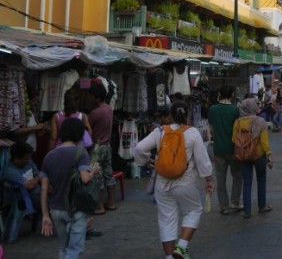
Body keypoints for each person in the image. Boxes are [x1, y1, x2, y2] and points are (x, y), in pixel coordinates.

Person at [134, 101, 214, 259]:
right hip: (185, 182)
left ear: (170, 115)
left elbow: (138, 148)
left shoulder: (160, 131)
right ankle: (182, 246)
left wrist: (147, 160)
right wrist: (209, 180)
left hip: (162, 183)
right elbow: (202, 160)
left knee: (166, 218)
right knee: (193, 210)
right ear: (187, 116)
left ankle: (169, 257)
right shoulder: (192, 133)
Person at [39, 117, 100, 259]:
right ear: (79, 135)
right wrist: (94, 172)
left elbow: (44, 189)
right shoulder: (80, 152)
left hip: (56, 209)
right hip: (76, 208)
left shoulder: (49, 156)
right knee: (74, 250)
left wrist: (45, 215)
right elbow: (85, 179)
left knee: (63, 248)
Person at [232, 98, 273, 219]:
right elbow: (264, 142)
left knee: (247, 182)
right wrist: (269, 154)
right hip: (259, 155)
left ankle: (247, 210)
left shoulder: (237, 122)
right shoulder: (260, 121)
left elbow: (234, 140)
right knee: (261, 179)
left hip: (243, 155)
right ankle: (262, 206)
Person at [208, 84, 243, 214]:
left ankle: (224, 206)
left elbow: (211, 130)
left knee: (220, 178)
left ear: (219, 95)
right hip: (233, 149)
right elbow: (238, 130)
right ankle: (235, 202)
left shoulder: (213, 109)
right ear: (232, 95)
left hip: (218, 149)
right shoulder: (235, 110)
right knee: (237, 176)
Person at [87, 79, 117, 214]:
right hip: (107, 145)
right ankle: (111, 202)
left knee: (97, 177)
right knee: (108, 174)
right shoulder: (109, 109)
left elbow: (89, 128)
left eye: (91, 96)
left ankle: (100, 206)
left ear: (97, 97)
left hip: (97, 147)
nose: (89, 98)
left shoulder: (95, 113)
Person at [1, 142, 41, 210]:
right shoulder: (9, 171)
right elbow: (29, 186)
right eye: (26, 159)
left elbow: (37, 173)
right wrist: (39, 177)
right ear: (16, 158)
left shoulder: (28, 161)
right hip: (21, 202)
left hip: (37, 196)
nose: (28, 161)